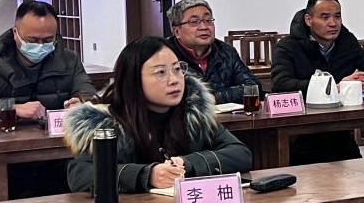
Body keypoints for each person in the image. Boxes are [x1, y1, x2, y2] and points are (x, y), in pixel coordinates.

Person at [64, 36, 252, 193]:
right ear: (133, 80)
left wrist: (188, 164)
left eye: (177, 69)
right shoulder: (107, 123)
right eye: (160, 72)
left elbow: (240, 153)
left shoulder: (193, 113)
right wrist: (147, 175)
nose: (174, 80)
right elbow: (80, 174)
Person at [0, 1, 96, 198]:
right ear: (15, 33)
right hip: (7, 162)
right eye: (32, 40)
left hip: (60, 157)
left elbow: (89, 94)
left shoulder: (69, 60)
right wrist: (12, 109)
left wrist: (81, 103)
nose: (40, 46)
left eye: (48, 40)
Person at [271, 0, 364, 165]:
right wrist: (333, 88)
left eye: (337, 16)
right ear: (309, 20)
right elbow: (281, 85)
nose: (333, 23)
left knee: (363, 169)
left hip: (338, 130)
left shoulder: (347, 42)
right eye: (325, 17)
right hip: (300, 133)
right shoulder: (288, 47)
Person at [166, 0, 261, 104]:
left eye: (208, 20)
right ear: (177, 32)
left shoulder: (226, 52)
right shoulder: (163, 55)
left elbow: (253, 88)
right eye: (194, 22)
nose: (204, 27)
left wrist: (216, 97)